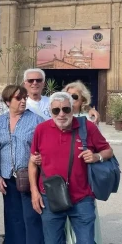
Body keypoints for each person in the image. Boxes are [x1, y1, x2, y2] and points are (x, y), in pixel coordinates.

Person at [29, 92, 113, 244]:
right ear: (50, 111)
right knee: (53, 241)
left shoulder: (86, 127)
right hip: (50, 197)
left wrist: (96, 157)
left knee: (86, 241)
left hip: (82, 198)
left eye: (66, 109)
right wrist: (34, 192)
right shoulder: (41, 129)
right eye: (56, 110)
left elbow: (108, 151)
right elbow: (33, 162)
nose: (61, 114)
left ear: (72, 109)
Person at [0, 85, 44, 244]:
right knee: (12, 217)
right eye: (18, 98)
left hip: (30, 177)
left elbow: (44, 147)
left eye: (24, 98)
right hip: (7, 179)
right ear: (8, 101)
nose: (23, 101)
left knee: (32, 217)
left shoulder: (36, 120)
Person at [63, 81, 102, 244]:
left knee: (84, 223)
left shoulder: (89, 121)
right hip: (61, 180)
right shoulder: (57, 115)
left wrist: (95, 156)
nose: (70, 100)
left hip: (83, 181)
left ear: (82, 100)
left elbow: (102, 148)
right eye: (67, 96)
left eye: (74, 97)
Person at [23, 68, 100, 122]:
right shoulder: (19, 104)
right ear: (24, 84)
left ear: (43, 84)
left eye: (39, 80)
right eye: (30, 80)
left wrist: (90, 109)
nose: (35, 83)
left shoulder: (53, 101)